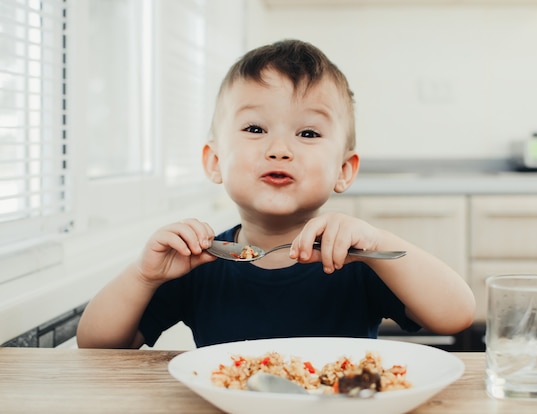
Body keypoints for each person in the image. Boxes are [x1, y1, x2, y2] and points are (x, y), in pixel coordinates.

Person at [76, 39, 475, 349]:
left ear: (343, 170)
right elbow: (96, 344)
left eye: (308, 133)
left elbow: (455, 315)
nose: (280, 149)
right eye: (254, 129)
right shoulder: (199, 264)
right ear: (214, 161)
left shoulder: (357, 261)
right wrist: (143, 276)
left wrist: (379, 242)